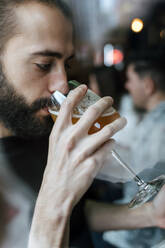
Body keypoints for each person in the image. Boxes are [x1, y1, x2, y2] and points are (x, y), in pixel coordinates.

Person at [0, 1, 164, 247]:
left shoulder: (35, 131)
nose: (64, 84)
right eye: (44, 64)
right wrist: (53, 205)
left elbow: (77, 214)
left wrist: (151, 214)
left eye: (66, 64)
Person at [104, 57, 165, 247]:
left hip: (140, 236)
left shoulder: (158, 125)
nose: (127, 86)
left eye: (130, 79)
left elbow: (152, 191)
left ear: (148, 85)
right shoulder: (152, 119)